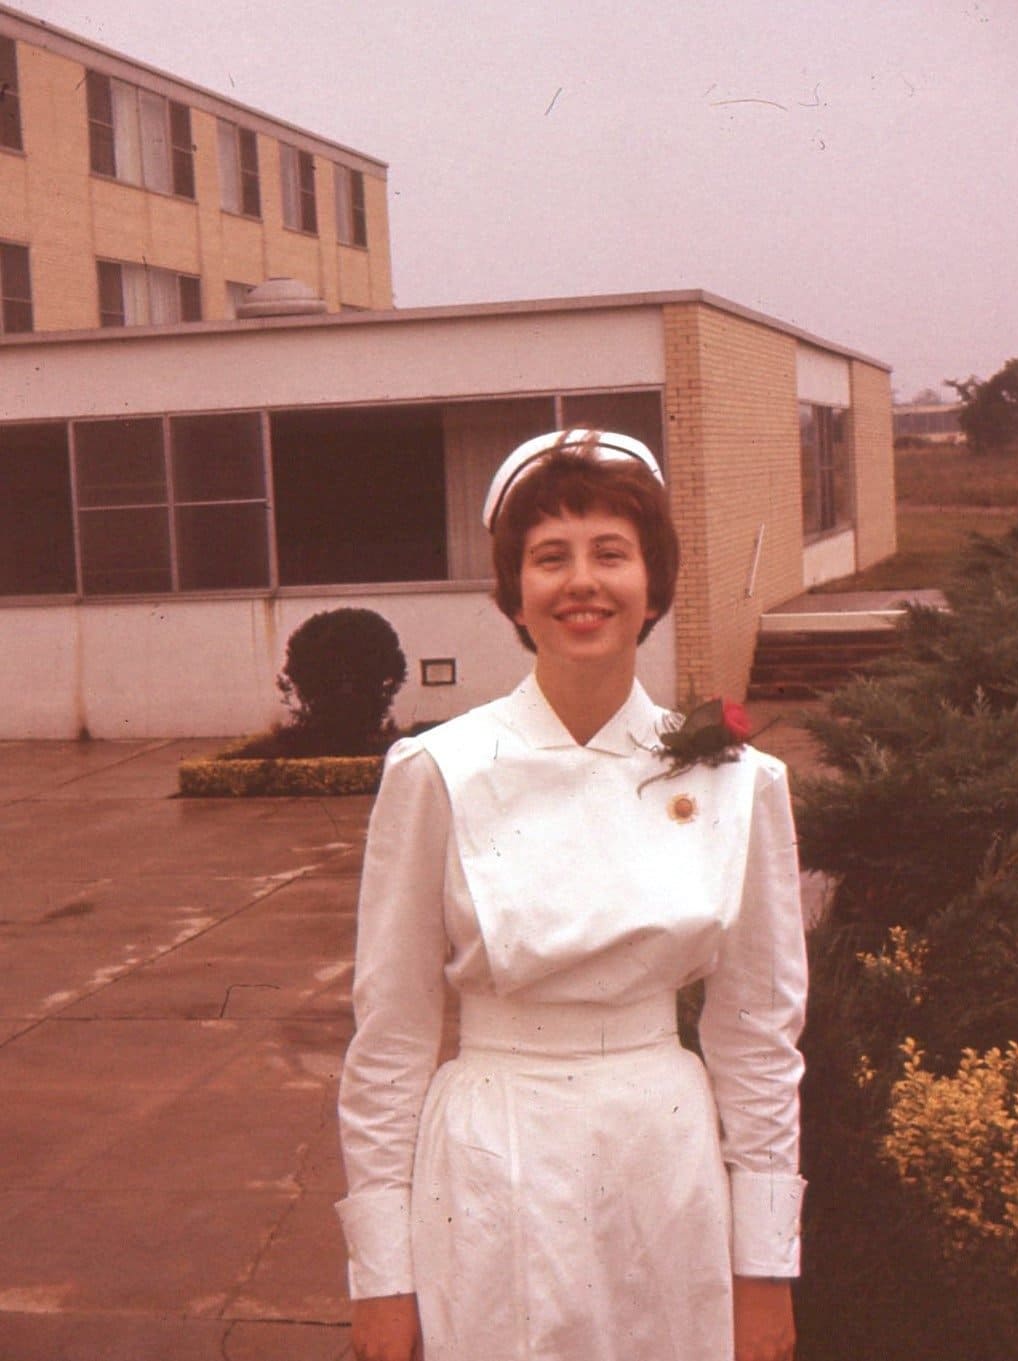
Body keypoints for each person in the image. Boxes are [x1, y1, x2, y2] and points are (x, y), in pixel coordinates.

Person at [337, 428, 808, 1361]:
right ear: (513, 593)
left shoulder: (737, 781)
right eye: (549, 556)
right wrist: (380, 1277)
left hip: (663, 1160)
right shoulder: (439, 770)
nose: (581, 582)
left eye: (610, 553)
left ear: (653, 584)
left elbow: (758, 1034)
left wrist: (763, 1267)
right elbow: (388, 1036)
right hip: (491, 1159)